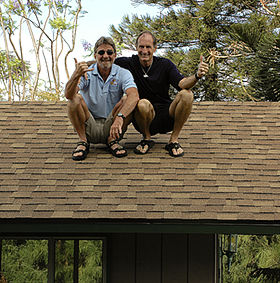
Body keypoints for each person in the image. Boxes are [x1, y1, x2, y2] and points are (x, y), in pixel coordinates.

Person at [114, 30, 209, 157]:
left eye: (148, 47)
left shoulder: (165, 64)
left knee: (187, 94)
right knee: (142, 103)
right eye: (141, 46)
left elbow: (182, 83)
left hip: (167, 114)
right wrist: (84, 67)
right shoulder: (127, 63)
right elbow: (105, 62)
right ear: (136, 47)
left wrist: (197, 75)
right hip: (143, 117)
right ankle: (146, 138)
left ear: (155, 48)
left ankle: (173, 140)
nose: (144, 50)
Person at [65, 36, 139, 161]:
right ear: (95, 56)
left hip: (113, 128)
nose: (105, 55)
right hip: (89, 124)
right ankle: (83, 141)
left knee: (129, 99)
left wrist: (120, 117)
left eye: (109, 52)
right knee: (75, 98)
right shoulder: (86, 73)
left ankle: (113, 141)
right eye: (101, 52)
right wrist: (76, 75)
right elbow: (68, 95)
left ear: (115, 55)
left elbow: (134, 95)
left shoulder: (123, 73)